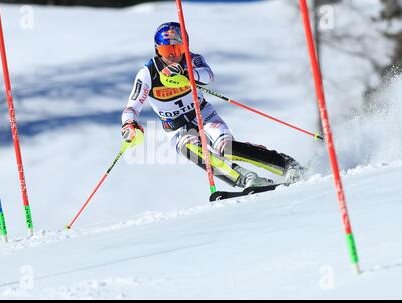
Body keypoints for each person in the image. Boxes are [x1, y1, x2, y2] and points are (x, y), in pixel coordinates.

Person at [121, 22, 304, 189]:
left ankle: (286, 164)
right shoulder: (147, 73)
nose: (173, 56)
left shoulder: (191, 60)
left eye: (178, 49)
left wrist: (186, 74)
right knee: (192, 150)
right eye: (166, 51)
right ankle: (248, 179)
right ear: (157, 50)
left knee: (227, 148)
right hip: (176, 129)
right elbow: (132, 107)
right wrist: (129, 125)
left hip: (203, 115)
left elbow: (208, 76)